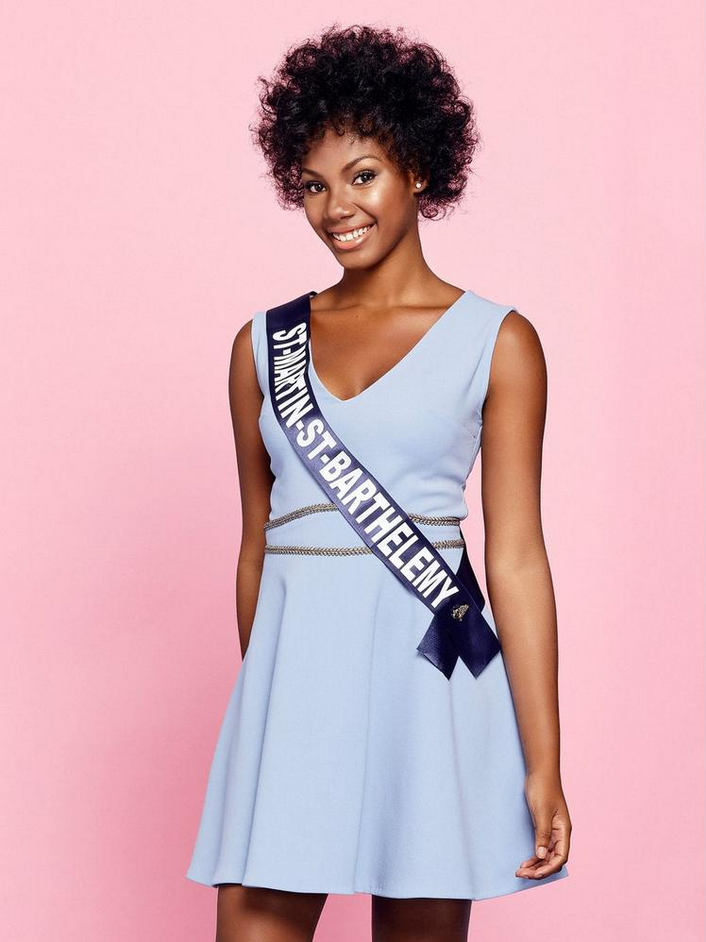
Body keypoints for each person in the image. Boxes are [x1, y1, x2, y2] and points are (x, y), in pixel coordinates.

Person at [187, 23, 572, 941]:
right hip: (294, 695)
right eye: (313, 185)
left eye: (362, 175)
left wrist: (542, 762)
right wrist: (272, 709)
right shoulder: (262, 346)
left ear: (420, 169)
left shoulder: (498, 341)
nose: (336, 208)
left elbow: (517, 559)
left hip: (428, 687)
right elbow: (257, 546)